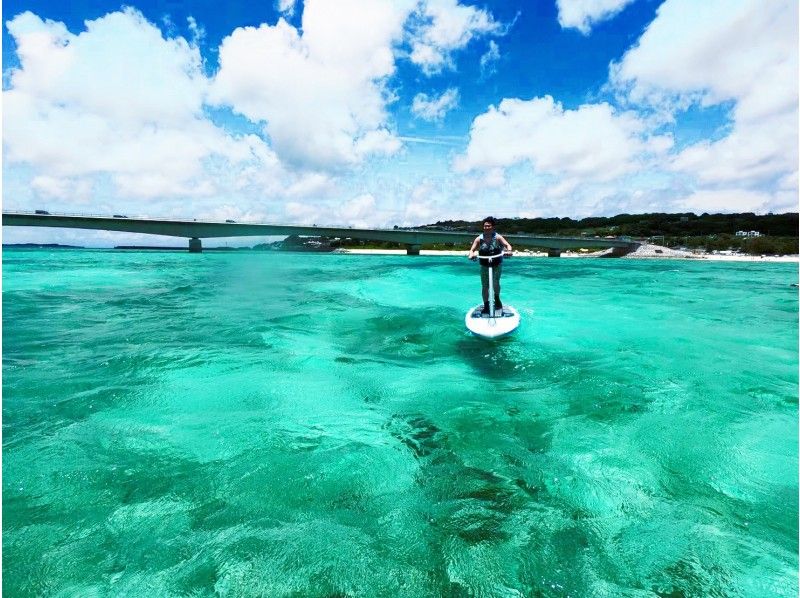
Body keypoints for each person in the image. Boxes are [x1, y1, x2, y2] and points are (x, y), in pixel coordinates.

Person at [468, 216, 513, 314]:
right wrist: (471, 254)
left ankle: (497, 299)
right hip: (484, 265)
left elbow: (508, 245)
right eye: (485, 226)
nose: (486, 227)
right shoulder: (479, 239)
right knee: (485, 286)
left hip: (496, 265)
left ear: (492, 227)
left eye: (488, 226)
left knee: (495, 283)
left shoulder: (498, 237)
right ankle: (486, 305)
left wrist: (509, 251)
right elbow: (472, 250)